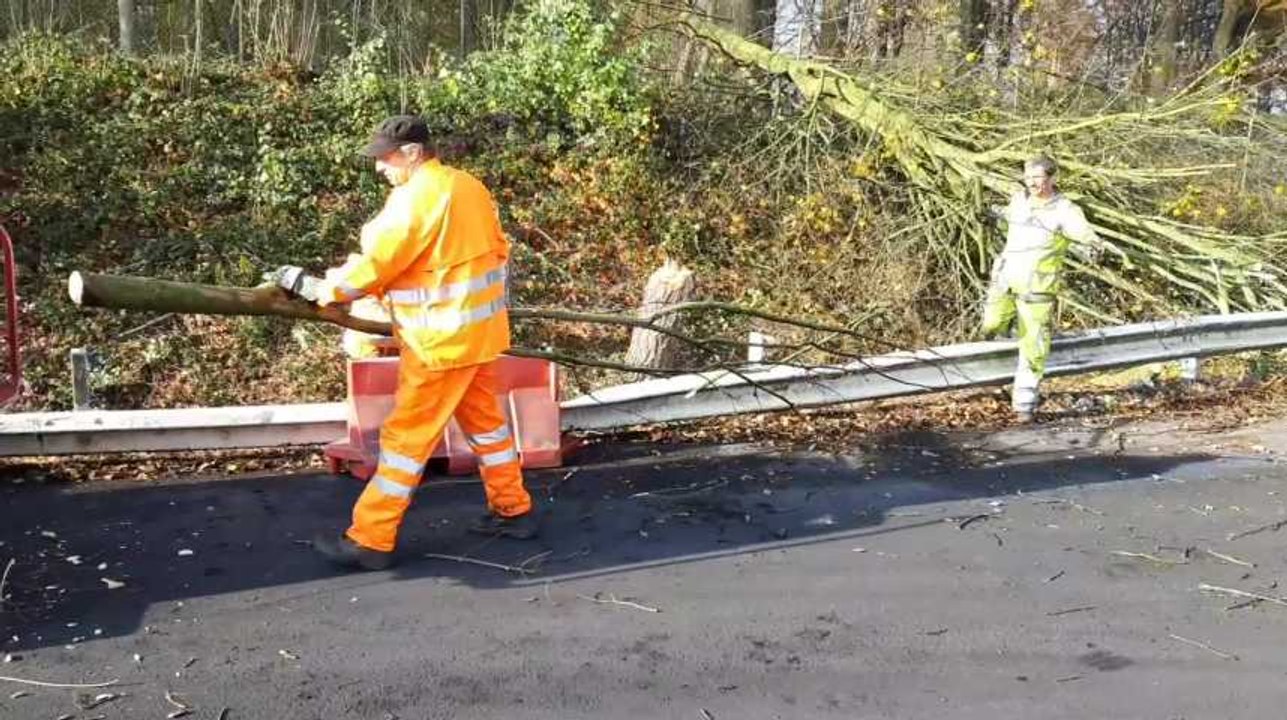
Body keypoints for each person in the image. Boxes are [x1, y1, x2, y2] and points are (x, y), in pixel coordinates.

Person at [271, 115, 537, 571]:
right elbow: (492, 252)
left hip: (439, 342)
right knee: (488, 427)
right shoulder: (468, 187)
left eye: (386, 157)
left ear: (413, 153)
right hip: (478, 335)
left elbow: (376, 266)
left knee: (405, 439)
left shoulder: (416, 200)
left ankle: (371, 538)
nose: (380, 167)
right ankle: (513, 510)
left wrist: (316, 287)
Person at [981, 154, 1105, 423]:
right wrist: (992, 214)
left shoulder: (1065, 210)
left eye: (1037, 177)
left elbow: (1083, 234)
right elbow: (1007, 222)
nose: (1032, 183)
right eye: (1028, 177)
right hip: (1005, 279)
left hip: (1037, 287)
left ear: (1051, 178)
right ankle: (1006, 366)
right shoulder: (1018, 200)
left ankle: (1023, 401)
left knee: (1034, 343)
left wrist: (1093, 247)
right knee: (991, 325)